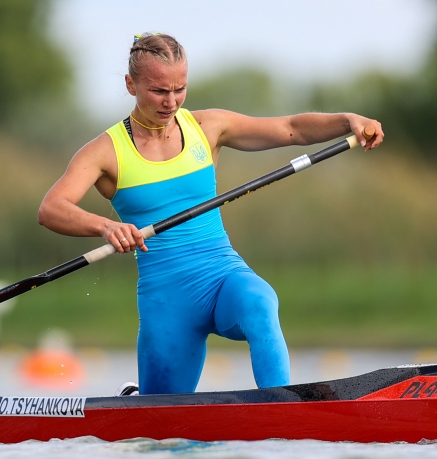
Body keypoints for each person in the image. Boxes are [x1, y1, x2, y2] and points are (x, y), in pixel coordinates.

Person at [37, 32, 384, 395]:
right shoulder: (105, 151)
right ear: (130, 85)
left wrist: (348, 120)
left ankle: (281, 409)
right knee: (161, 421)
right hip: (167, 301)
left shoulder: (207, 127)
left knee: (259, 302)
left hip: (222, 276)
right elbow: (52, 208)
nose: (171, 102)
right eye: (159, 91)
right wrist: (106, 226)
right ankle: (136, 399)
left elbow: (290, 129)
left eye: (180, 89)